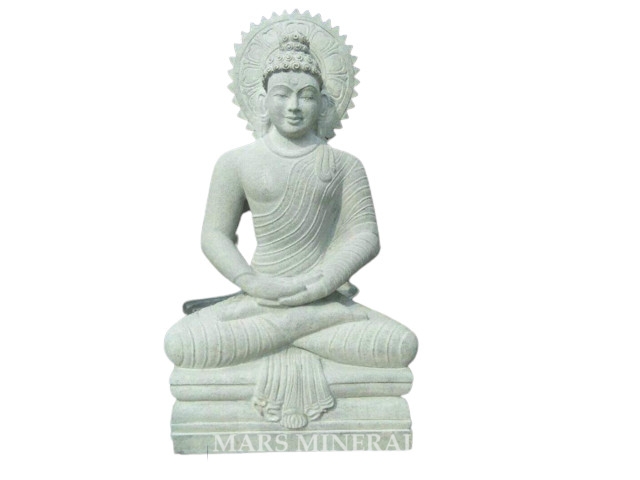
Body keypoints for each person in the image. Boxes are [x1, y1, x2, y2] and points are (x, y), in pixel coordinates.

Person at [164, 33, 417, 428]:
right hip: (269, 298)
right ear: (262, 99)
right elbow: (214, 234)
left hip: (320, 297)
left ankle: (293, 325)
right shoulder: (236, 162)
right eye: (282, 94)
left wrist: (323, 283)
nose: (294, 106)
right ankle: (306, 324)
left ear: (324, 103)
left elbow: (365, 235)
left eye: (307, 96)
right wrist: (251, 282)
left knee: (400, 344)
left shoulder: (345, 165)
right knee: (181, 343)